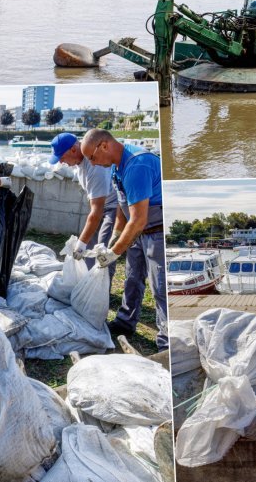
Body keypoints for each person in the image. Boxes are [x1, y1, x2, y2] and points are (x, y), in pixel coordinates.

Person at [81, 128, 168, 351]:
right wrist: (115, 238)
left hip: (155, 231)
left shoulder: (137, 165)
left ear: (104, 146)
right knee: (132, 277)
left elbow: (139, 219)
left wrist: (114, 252)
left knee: (160, 288)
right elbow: (123, 207)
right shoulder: (116, 167)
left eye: (92, 157)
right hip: (138, 232)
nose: (92, 163)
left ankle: (167, 342)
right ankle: (125, 321)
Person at [48, 133, 119, 281]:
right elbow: (93, 205)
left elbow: (97, 210)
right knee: (89, 245)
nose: (61, 161)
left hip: (113, 209)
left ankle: (102, 290)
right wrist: (83, 243)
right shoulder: (80, 165)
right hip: (100, 208)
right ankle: (87, 282)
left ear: (73, 149)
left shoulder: (94, 168)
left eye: (62, 156)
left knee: (104, 250)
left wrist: (80, 245)